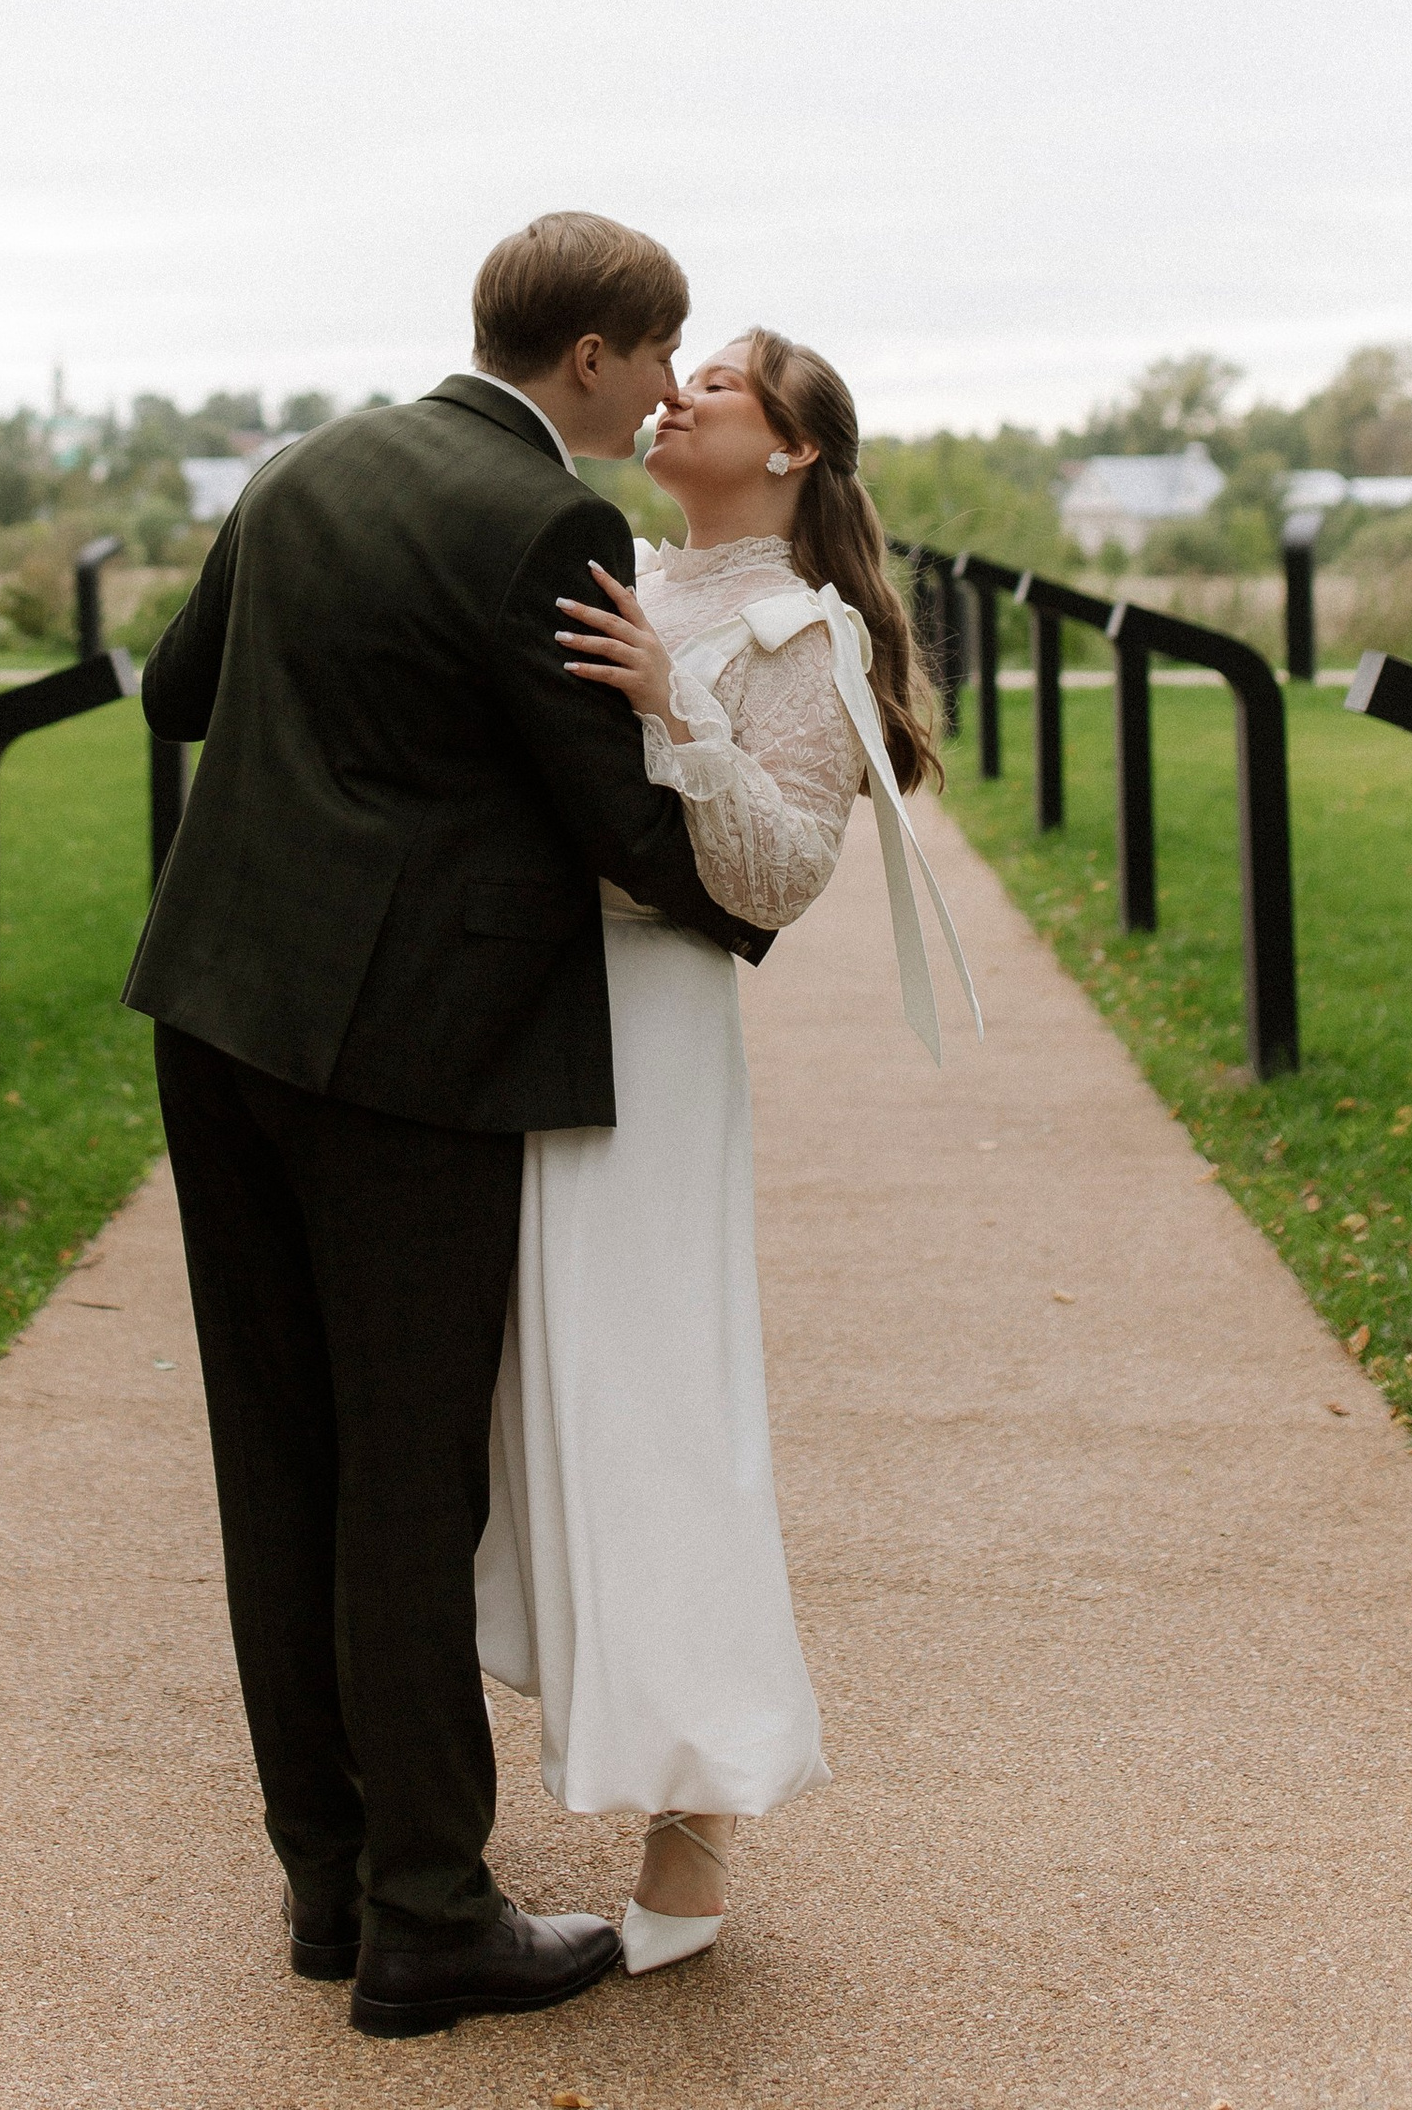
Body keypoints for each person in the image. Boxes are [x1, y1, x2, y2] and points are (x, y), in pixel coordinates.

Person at [126, 213, 772, 2043]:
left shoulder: (302, 462)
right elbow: (606, 811)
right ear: (589, 357)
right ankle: (428, 1920)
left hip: (220, 1012)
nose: (661, 391)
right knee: (409, 1487)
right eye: (657, 357)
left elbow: (180, 697)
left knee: (284, 1463)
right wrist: (748, 894)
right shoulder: (544, 522)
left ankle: (327, 1884)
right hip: (405, 1056)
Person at [481, 326, 977, 1974]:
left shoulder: (803, 634)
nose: (676, 394)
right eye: (672, 375)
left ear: (791, 454)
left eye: (721, 384)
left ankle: (698, 1823)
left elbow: (778, 875)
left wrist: (673, 705)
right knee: (517, 1398)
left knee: (653, 1408)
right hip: (517, 1014)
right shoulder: (598, 558)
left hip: (658, 1032)